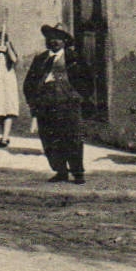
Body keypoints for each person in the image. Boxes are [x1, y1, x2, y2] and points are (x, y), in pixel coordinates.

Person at [24, 24, 89, 184]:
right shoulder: (40, 59)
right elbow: (29, 82)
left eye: (57, 38)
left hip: (68, 103)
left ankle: (78, 172)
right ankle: (60, 171)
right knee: (49, 138)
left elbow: (87, 79)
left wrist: (80, 97)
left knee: (72, 138)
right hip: (45, 104)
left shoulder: (74, 58)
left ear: (64, 41)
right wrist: (33, 103)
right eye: (50, 38)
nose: (53, 41)